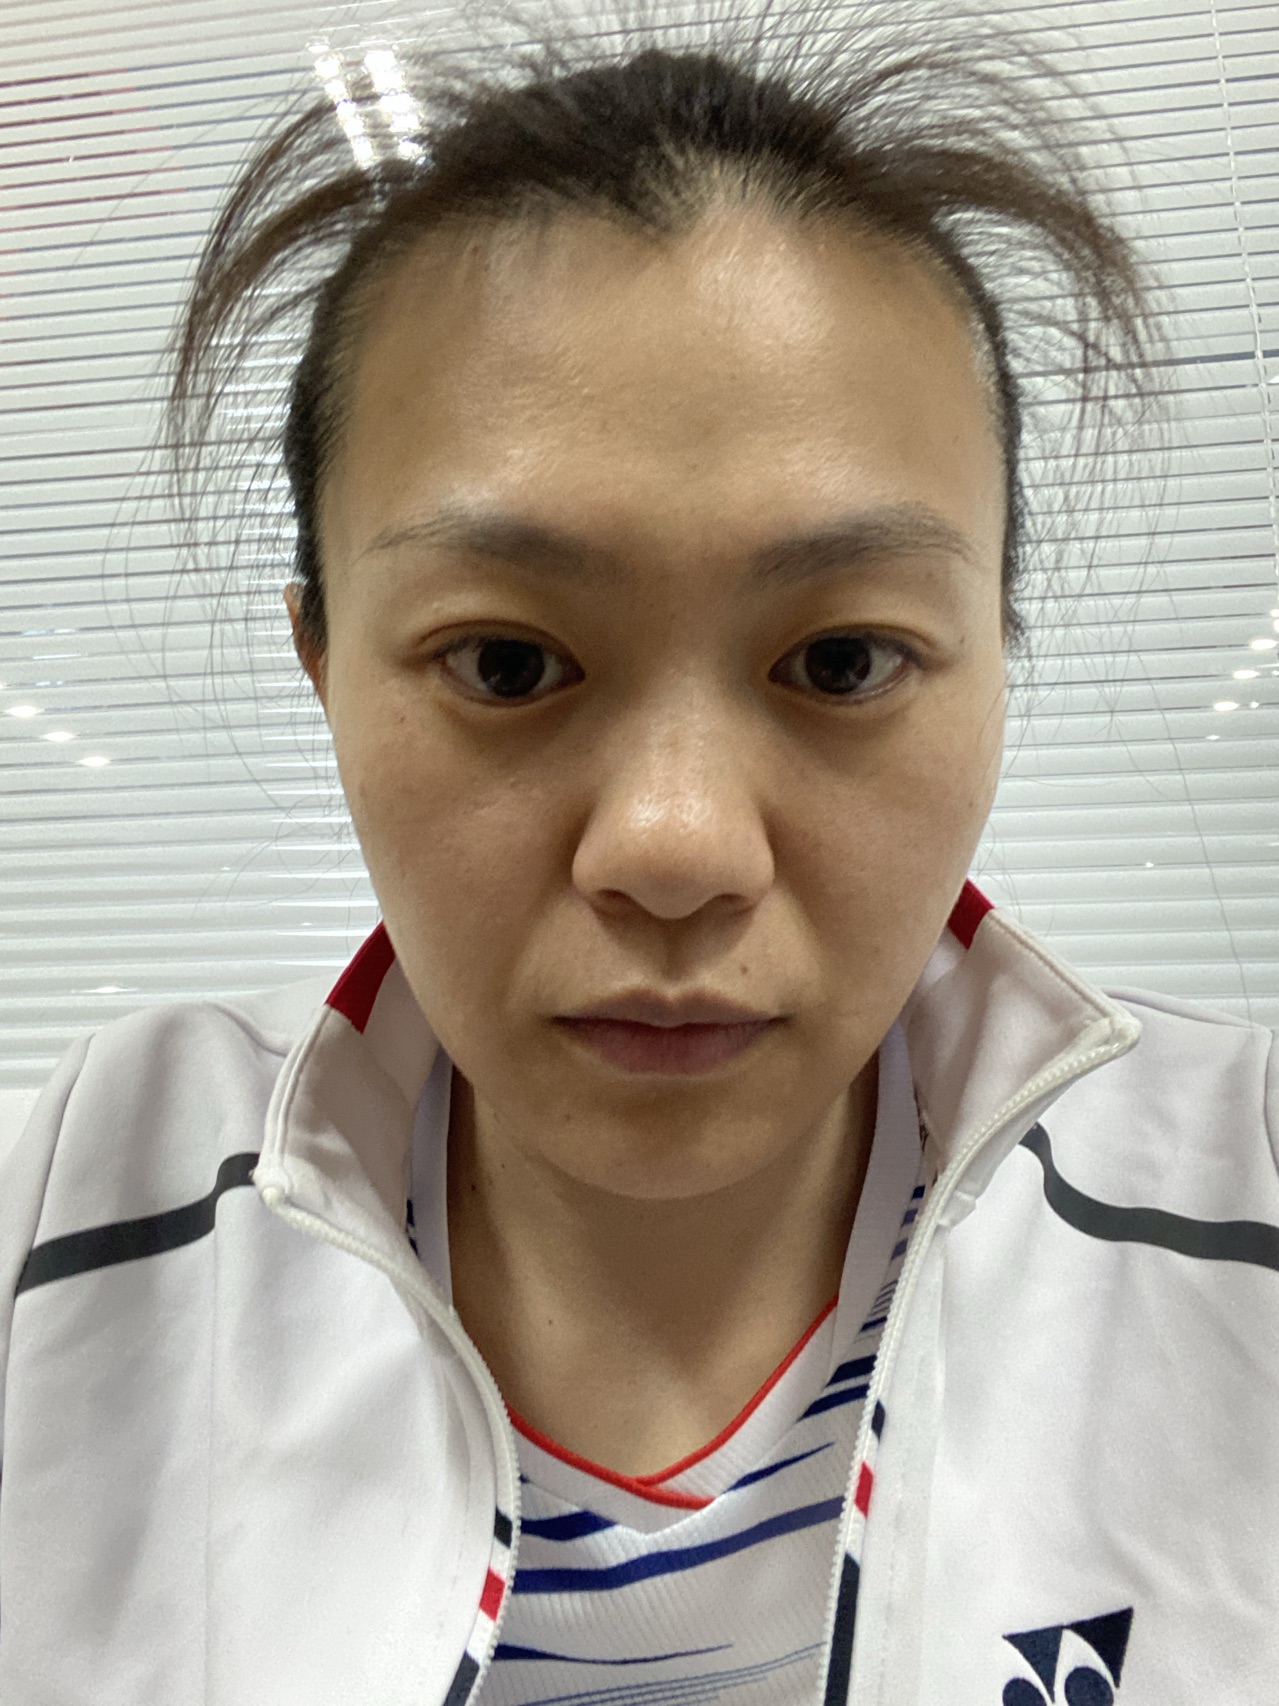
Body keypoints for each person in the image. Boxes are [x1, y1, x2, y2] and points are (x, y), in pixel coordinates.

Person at [2, 9, 1276, 1704]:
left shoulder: (1245, 1209)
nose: (676, 849)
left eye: (842, 660)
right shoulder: (75, 1220)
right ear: (323, 664)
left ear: (997, 659)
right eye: (506, 662)